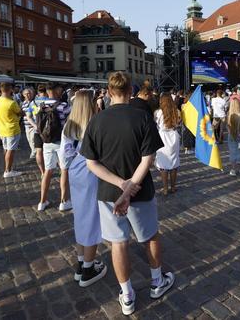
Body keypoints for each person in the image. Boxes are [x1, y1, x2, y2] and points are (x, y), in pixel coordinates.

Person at [81, 72, 174, 315]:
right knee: (150, 236)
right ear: (131, 91)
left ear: (109, 92)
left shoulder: (96, 121)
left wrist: (121, 185)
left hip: (109, 192)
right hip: (140, 189)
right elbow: (148, 158)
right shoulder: (142, 117)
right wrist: (130, 185)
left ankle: (127, 294)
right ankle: (157, 281)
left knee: (118, 243)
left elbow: (91, 163)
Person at [61, 90, 108, 286]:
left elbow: (64, 155)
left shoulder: (68, 126)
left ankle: (82, 262)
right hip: (91, 170)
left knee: (80, 215)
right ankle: (88, 268)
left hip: (74, 170)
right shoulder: (96, 124)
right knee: (91, 218)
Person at [36, 83, 72, 212]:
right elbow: (70, 123)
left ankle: (42, 201)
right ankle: (64, 201)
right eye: (60, 89)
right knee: (64, 170)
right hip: (61, 142)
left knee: (48, 171)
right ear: (57, 90)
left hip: (47, 142)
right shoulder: (64, 106)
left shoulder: (41, 106)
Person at [0, 83, 23, 178]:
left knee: (6, 149)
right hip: (12, 129)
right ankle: (8, 170)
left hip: (2, 129)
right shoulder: (11, 103)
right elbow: (20, 113)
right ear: (10, 89)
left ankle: (7, 168)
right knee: (10, 151)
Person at [226, 96, 240, 176]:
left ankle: (233, 170)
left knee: (232, 153)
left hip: (231, 136)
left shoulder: (228, 114)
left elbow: (227, 127)